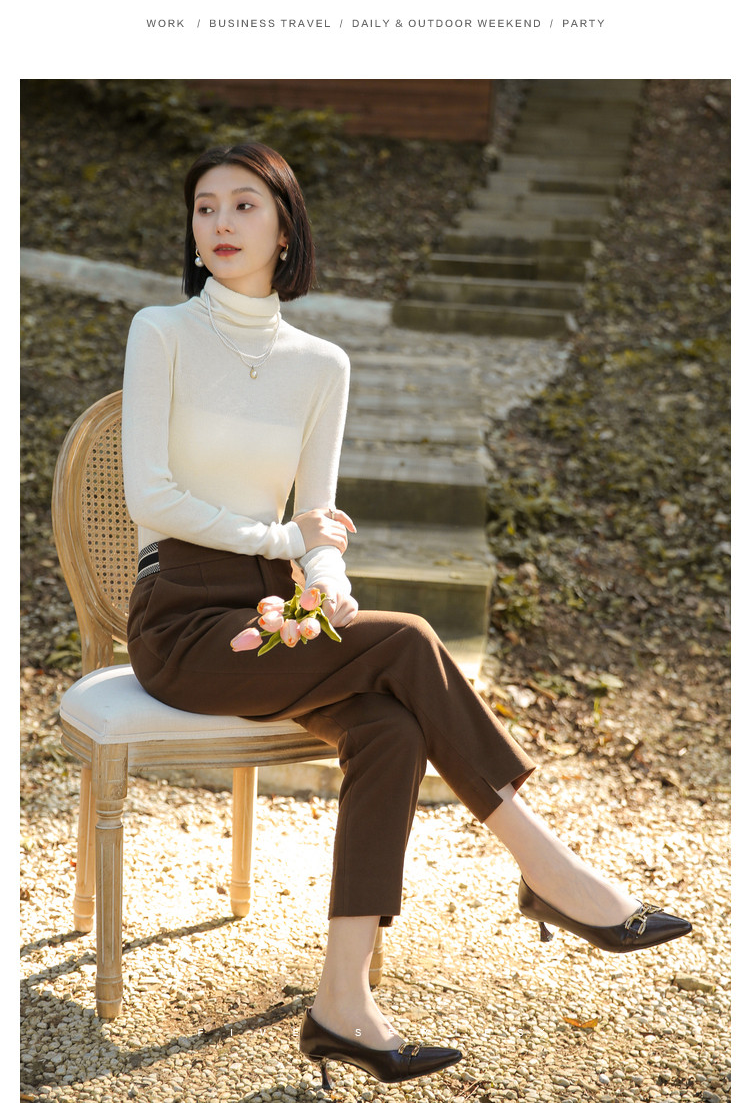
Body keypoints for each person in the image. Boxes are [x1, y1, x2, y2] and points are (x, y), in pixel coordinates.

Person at [122, 141, 691, 1091]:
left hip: (275, 609)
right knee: (414, 638)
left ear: (285, 228)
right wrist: (288, 538)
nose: (219, 222)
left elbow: (321, 521)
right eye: (205, 206)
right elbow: (152, 497)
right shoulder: (163, 332)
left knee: (388, 727)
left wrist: (327, 575)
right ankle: (547, 866)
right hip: (181, 620)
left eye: (244, 205)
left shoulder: (322, 364)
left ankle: (341, 1002)